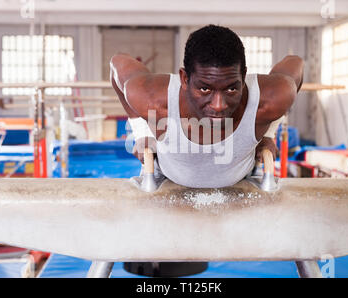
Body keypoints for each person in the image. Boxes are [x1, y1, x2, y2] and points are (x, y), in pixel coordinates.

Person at [110, 24, 303, 188]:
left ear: (243, 77)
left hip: (241, 175)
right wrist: (141, 131)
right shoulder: (154, 99)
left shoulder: (268, 99)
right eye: (204, 89)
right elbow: (118, 63)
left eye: (231, 89)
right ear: (185, 79)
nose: (218, 106)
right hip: (168, 174)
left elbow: (296, 63)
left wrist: (268, 134)